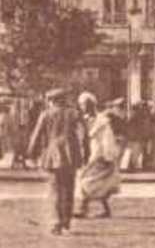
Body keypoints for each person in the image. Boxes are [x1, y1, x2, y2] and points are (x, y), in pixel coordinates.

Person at [29, 87, 87, 235]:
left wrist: (31, 154)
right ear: (64, 99)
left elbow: (36, 136)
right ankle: (66, 222)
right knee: (69, 189)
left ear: (52, 101)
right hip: (71, 153)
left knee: (54, 189)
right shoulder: (75, 113)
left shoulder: (46, 114)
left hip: (52, 154)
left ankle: (56, 222)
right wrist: (86, 152)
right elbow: (84, 135)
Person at [76, 94, 125, 219]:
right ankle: (104, 209)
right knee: (94, 182)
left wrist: (107, 155)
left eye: (84, 104)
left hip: (100, 154)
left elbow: (107, 139)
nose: (82, 107)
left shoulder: (102, 120)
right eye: (81, 104)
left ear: (92, 105)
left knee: (86, 180)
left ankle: (83, 208)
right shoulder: (83, 119)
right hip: (89, 153)